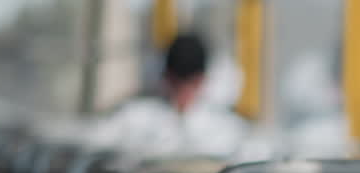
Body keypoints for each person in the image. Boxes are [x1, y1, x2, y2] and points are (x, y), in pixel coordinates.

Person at [84, 32, 265, 159]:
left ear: (203, 81)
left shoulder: (227, 129)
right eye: (177, 83)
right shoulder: (136, 117)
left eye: (191, 84)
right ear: (167, 78)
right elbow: (96, 143)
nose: (184, 92)